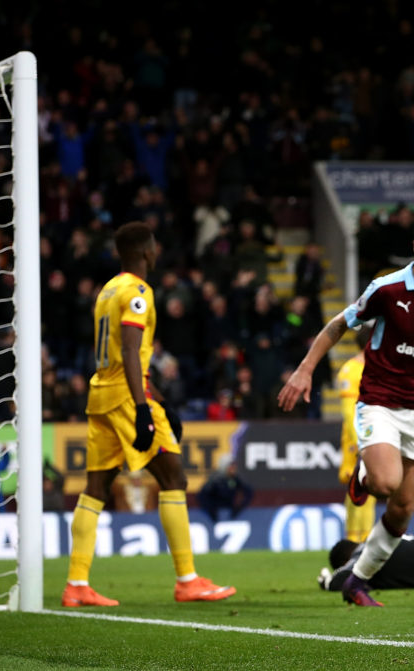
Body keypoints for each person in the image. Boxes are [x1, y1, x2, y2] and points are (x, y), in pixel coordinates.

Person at [277, 213, 414, 608]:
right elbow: (338, 325)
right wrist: (305, 370)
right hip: (380, 402)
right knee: (386, 484)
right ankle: (365, 475)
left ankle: (357, 580)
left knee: (402, 509)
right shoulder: (386, 289)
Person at [61, 221, 236, 608]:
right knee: (174, 477)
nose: (157, 253)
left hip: (101, 394)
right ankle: (188, 580)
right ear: (144, 252)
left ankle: (76, 583)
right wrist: (144, 409)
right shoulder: (138, 291)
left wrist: (163, 403)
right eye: (154, 247)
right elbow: (129, 352)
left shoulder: (107, 290)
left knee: (96, 490)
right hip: (126, 398)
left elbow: (128, 359)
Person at [335, 323, 376, 542]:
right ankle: (358, 542)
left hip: (374, 434)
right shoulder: (350, 370)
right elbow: (349, 413)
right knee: (361, 488)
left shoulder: (376, 367)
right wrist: (362, 442)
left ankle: (357, 541)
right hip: (358, 439)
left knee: (365, 488)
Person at [197, 453, 254, 523]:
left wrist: (238, 508)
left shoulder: (235, 478)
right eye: (231, 466)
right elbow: (202, 496)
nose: (233, 468)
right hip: (216, 511)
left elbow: (249, 492)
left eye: (234, 466)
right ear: (224, 466)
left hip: (229, 510)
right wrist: (211, 512)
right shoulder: (215, 479)